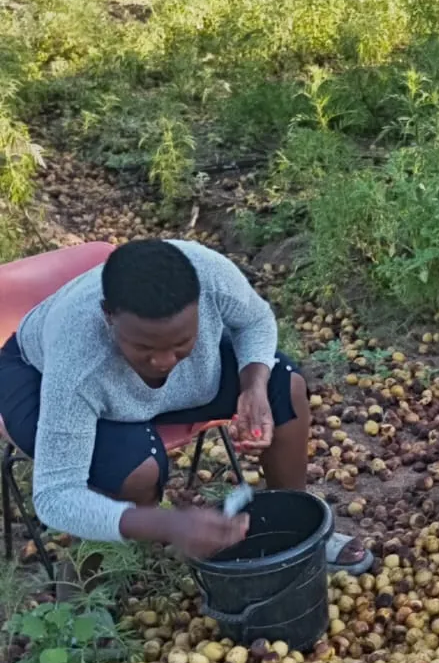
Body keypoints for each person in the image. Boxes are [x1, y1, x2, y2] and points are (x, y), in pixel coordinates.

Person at [0, 238, 369, 570]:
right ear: (109, 316)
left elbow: (255, 321)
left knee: (284, 385)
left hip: (179, 387)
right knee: (135, 471)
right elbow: (56, 496)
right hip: (34, 378)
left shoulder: (209, 273)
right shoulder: (78, 359)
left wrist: (252, 386)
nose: (164, 361)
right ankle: (85, 596)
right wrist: (169, 523)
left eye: (182, 342)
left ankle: (298, 530)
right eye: (144, 347)